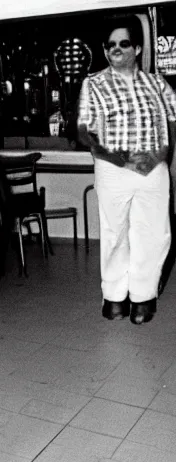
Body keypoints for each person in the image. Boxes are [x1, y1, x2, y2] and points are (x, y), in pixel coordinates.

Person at [77, 15, 176, 325]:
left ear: (137, 47)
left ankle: (143, 297)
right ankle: (115, 298)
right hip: (113, 168)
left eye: (122, 44)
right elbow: (83, 129)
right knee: (114, 233)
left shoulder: (157, 83)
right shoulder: (93, 83)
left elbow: (172, 122)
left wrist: (163, 154)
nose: (114, 50)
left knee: (154, 234)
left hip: (153, 168)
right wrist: (115, 156)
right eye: (109, 45)